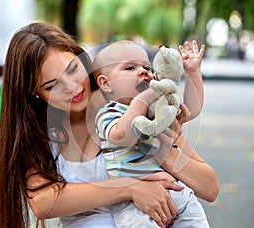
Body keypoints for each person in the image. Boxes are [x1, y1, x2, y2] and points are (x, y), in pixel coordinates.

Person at [0, 22, 218, 228]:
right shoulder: (41, 133)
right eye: (52, 85)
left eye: (73, 69)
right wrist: (129, 188)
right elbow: (44, 201)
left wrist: (165, 153)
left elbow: (209, 187)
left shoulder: (127, 104)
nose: (72, 87)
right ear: (35, 93)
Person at [88, 40, 210, 227]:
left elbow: (190, 110)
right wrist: (145, 98)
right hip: (136, 204)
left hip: (178, 192)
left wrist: (192, 72)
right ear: (106, 83)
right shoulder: (109, 113)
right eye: (130, 68)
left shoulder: (157, 108)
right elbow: (122, 136)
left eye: (146, 66)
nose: (143, 71)